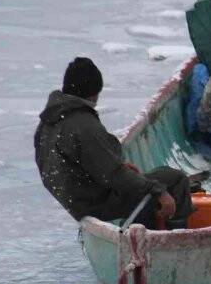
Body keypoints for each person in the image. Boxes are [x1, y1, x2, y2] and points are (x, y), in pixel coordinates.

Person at [34, 57, 193, 228]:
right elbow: (115, 175)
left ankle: (142, 225)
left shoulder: (49, 121)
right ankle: (174, 238)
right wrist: (158, 190)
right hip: (95, 202)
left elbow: (85, 162)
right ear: (93, 91)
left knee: (143, 183)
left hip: (74, 199)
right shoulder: (84, 125)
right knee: (173, 179)